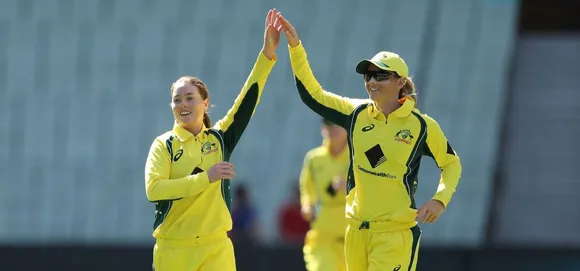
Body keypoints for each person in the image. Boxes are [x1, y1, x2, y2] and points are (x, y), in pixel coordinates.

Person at [277, 13, 462, 271]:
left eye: (380, 76)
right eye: (368, 76)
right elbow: (312, 95)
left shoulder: (422, 126)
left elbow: (451, 163)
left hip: (394, 234)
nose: (372, 81)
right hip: (356, 232)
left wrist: (440, 199)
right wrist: (296, 48)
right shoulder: (356, 113)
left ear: (400, 82)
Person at [144, 9, 283, 271]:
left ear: (205, 103)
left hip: (216, 247)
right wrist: (205, 177)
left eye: (189, 98)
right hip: (174, 248)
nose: (182, 104)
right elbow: (154, 190)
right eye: (176, 99)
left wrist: (267, 55)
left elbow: (246, 101)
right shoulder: (164, 145)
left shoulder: (219, 139)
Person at [299, 118, 350, 271]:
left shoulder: (360, 155)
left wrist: (350, 188)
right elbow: (307, 190)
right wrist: (307, 206)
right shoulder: (314, 158)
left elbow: (378, 183)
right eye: (327, 124)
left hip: (353, 230)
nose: (332, 129)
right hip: (324, 231)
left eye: (336, 124)